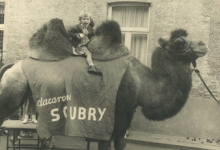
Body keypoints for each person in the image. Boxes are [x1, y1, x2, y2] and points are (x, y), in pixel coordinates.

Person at [68, 10, 101, 74]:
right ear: (80, 20)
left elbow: (92, 36)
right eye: (84, 19)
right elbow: (69, 33)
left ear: (90, 20)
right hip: (79, 45)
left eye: (87, 19)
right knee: (89, 53)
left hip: (87, 44)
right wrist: (77, 35)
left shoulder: (90, 29)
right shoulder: (76, 27)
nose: (86, 21)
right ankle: (91, 66)